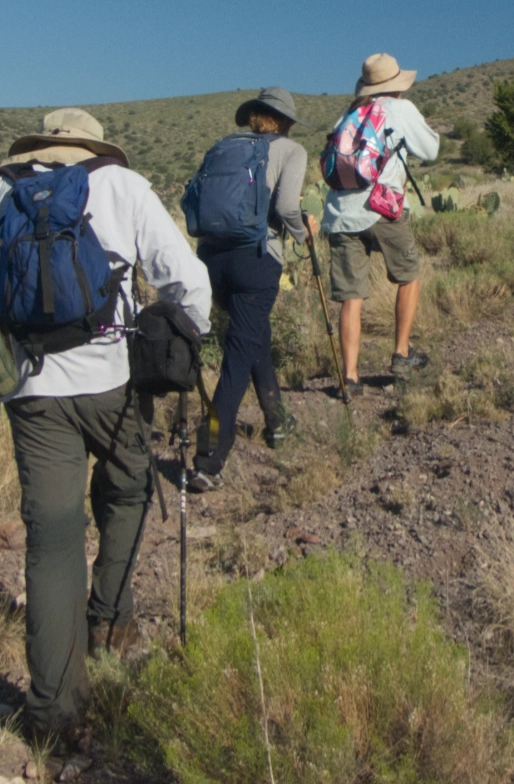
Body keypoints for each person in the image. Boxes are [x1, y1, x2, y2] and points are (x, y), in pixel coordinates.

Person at [0, 108, 211, 743]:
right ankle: (110, 618)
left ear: (40, 148)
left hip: (32, 393)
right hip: (114, 382)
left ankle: (54, 714)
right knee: (131, 488)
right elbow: (188, 283)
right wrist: (178, 337)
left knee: (53, 541)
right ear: (91, 145)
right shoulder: (123, 185)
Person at [184, 87, 313, 491]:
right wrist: (303, 234)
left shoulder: (223, 147)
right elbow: (289, 207)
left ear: (254, 116)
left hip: (212, 259)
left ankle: (277, 421)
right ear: (286, 121)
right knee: (238, 357)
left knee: (252, 336)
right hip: (256, 259)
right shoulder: (290, 151)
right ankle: (209, 456)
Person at [321, 54, 440, 392]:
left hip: (342, 214)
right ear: (396, 85)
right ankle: (402, 355)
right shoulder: (400, 110)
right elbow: (431, 149)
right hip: (383, 207)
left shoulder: (347, 114)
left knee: (351, 296)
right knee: (409, 276)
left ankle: (350, 377)